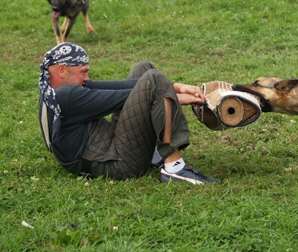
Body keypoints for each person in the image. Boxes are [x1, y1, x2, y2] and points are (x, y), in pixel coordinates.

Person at [38, 42, 219, 185]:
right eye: (83, 72)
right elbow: (121, 96)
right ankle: (175, 168)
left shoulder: (54, 93)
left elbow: (117, 87)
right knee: (153, 80)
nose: (87, 78)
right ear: (62, 70)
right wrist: (173, 96)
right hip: (117, 163)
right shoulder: (66, 96)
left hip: (111, 148)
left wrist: (174, 87)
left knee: (144, 70)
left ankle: (155, 153)